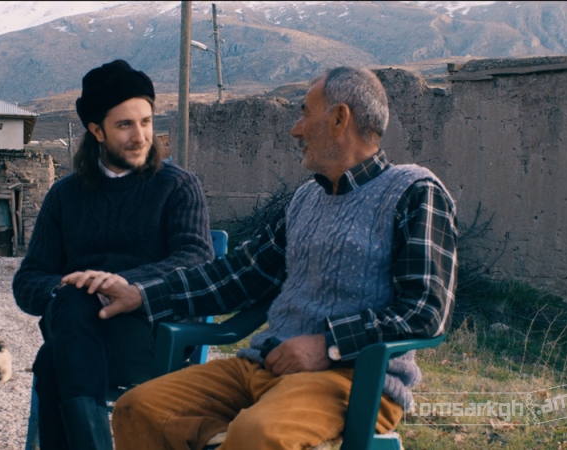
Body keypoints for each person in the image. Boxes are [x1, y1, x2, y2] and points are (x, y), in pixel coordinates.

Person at [65, 66, 459, 450]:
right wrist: (141, 294)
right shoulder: (306, 199)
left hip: (352, 380)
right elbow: (240, 275)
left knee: (257, 433)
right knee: (139, 408)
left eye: (305, 113)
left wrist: (326, 344)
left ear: (340, 119)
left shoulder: (413, 191)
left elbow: (426, 311)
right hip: (265, 366)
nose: (296, 129)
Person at [12, 59, 214, 450]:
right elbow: (29, 280)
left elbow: (196, 259)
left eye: (146, 122)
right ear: (97, 131)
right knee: (72, 300)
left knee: (53, 361)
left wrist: (122, 285)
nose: (140, 136)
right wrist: (69, 287)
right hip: (79, 328)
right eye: (125, 125)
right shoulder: (65, 196)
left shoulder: (177, 187)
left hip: (151, 334)